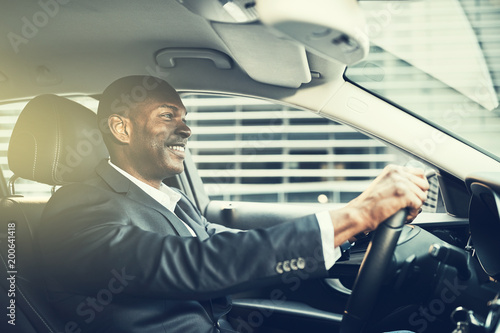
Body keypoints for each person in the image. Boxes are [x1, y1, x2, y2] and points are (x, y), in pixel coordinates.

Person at [37, 75, 429, 333]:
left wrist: (352, 232)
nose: (186, 128)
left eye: (185, 117)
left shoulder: (169, 198)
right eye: (167, 115)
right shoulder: (73, 211)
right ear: (121, 128)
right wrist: (356, 212)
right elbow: (196, 263)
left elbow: (233, 243)